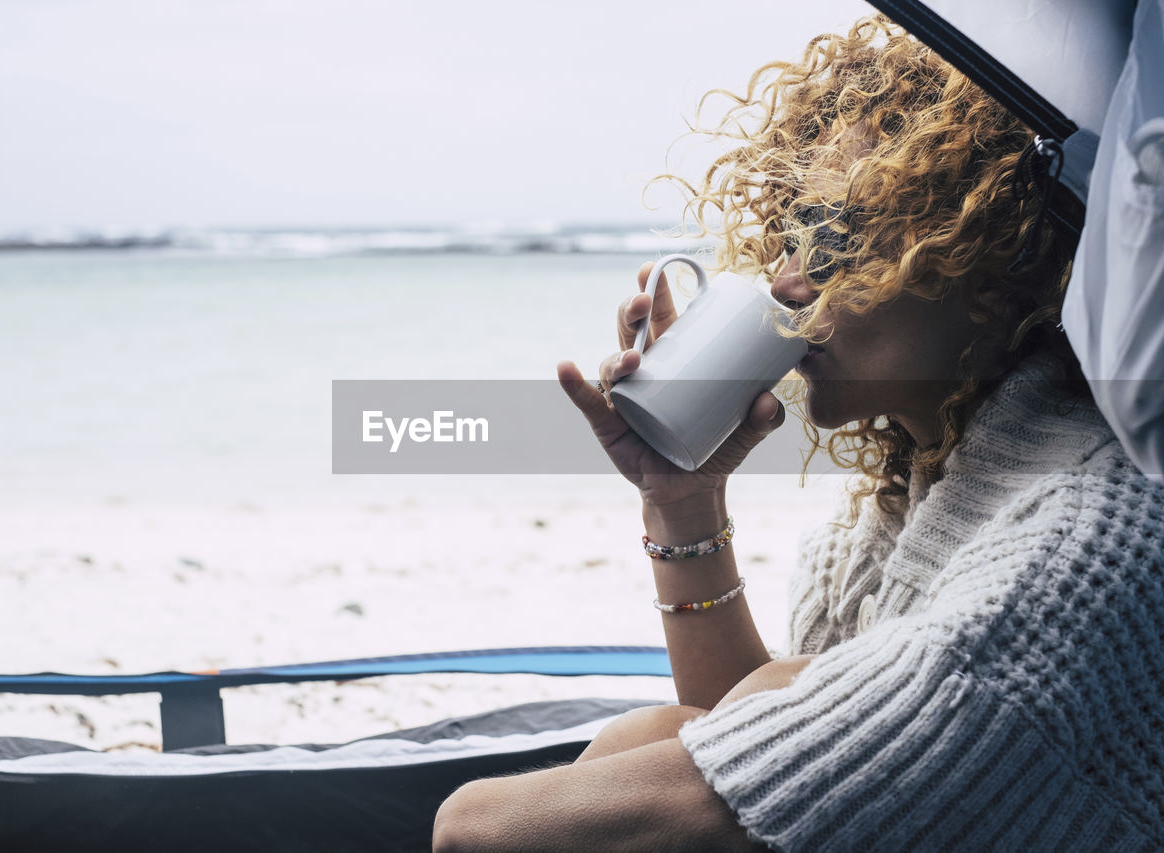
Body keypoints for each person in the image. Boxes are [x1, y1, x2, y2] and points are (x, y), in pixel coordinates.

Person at [433, 14, 1164, 851]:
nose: (784, 279)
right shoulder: (903, 511)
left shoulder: (1077, 551)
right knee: (672, 728)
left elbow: (472, 832)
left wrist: (753, 702)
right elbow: (769, 772)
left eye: (834, 238)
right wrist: (684, 498)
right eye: (792, 235)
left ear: (991, 258)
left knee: (649, 741)